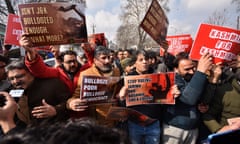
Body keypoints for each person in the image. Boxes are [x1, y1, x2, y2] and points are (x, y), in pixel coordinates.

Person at [19, 34, 94, 118]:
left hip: (86, 115)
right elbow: (39, 70)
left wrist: (89, 52)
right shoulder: (57, 72)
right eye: (69, 62)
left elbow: (94, 65)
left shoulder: (84, 71)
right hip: (65, 117)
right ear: (62, 63)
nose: (73, 64)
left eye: (74, 61)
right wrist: (31, 53)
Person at [117, 49, 180, 144]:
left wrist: (173, 94)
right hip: (135, 124)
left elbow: (164, 101)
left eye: (146, 59)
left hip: (153, 123)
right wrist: (121, 98)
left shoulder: (158, 77)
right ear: (134, 63)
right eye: (141, 60)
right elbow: (123, 107)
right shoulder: (127, 80)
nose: (145, 62)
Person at [162, 52, 213, 144]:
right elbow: (189, 99)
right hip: (174, 129)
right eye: (187, 69)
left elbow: (202, 97)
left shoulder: (196, 78)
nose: (192, 72)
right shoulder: (171, 80)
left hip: (193, 129)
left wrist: (204, 106)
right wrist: (200, 72)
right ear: (176, 69)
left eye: (193, 68)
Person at [67, 46, 121, 127]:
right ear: (95, 60)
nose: (107, 61)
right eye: (103, 58)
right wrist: (71, 103)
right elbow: (75, 97)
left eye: (109, 57)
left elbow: (119, 90)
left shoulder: (117, 71)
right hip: (98, 124)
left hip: (116, 120)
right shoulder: (86, 74)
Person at [5, 60, 70, 126]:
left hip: (55, 131)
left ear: (31, 73)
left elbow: (69, 103)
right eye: (12, 79)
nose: (16, 81)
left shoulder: (53, 84)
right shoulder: (11, 93)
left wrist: (56, 110)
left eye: (20, 76)